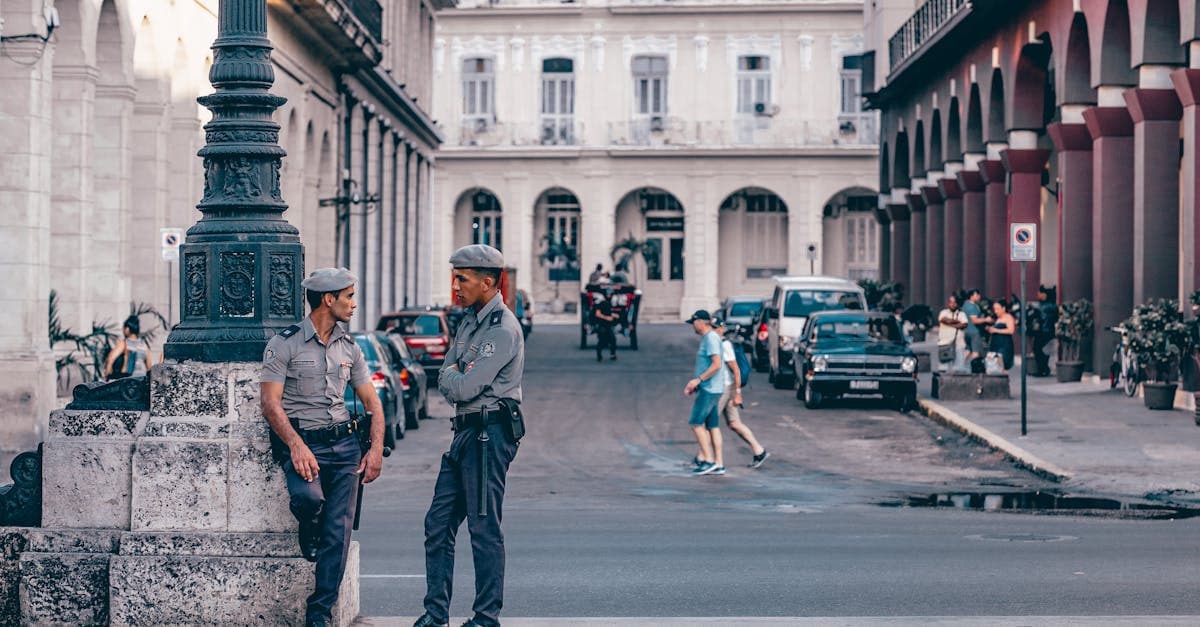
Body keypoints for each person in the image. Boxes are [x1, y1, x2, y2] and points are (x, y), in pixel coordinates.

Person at [260, 268, 386, 627]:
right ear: (328, 300)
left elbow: (372, 402)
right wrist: (296, 446)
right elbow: (270, 403)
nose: (354, 303)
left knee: (338, 534)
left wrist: (375, 448)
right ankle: (308, 524)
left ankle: (320, 612)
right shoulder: (284, 344)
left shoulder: (350, 347)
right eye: (348, 296)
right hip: (305, 444)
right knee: (309, 499)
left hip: (345, 445)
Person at [416, 244, 525, 627]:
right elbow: (449, 374)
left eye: (462, 278)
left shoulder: (502, 328)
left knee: (483, 527)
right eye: (455, 277)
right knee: (437, 524)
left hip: (489, 433)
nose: (455, 285)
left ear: (487, 282)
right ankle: (435, 614)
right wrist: (457, 374)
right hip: (466, 433)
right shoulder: (469, 321)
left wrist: (457, 375)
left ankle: (485, 617)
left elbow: (463, 387)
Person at [713, 320, 769, 468]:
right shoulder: (717, 343)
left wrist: (737, 393)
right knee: (734, 423)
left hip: (725, 388)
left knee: (709, 423)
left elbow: (736, 370)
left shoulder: (724, 345)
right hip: (727, 387)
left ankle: (710, 460)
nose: (713, 330)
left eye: (715, 328)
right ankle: (759, 451)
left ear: (721, 329)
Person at [684, 310, 726, 476]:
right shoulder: (709, 338)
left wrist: (698, 380)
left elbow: (716, 365)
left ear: (701, 322)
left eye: (693, 322)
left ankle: (708, 461)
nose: (693, 326)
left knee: (695, 423)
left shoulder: (710, 338)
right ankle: (719, 463)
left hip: (709, 388)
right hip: (712, 387)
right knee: (713, 426)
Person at [104, 316, 152, 380]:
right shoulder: (144, 345)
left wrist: (107, 375)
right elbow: (149, 368)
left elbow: (111, 358)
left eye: (123, 328)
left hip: (127, 380)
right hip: (141, 380)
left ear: (127, 329)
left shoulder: (124, 343)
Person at [1031, 285, 1058, 377]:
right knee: (1039, 349)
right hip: (1047, 331)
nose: (1038, 295)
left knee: (1037, 349)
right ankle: (1043, 368)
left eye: (1040, 293)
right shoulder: (1051, 306)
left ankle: (1043, 369)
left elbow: (1042, 316)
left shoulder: (1045, 307)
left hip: (1044, 331)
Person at [936, 295, 968, 372]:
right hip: (944, 344)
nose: (952, 304)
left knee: (959, 368)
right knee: (943, 369)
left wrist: (950, 324)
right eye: (951, 302)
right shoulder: (943, 312)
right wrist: (957, 322)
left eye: (954, 303)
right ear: (948, 303)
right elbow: (944, 320)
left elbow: (964, 324)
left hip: (958, 344)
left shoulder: (961, 314)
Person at [962, 289, 992, 366]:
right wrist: (986, 319)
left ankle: (961, 365)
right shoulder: (972, 307)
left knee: (968, 350)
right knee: (975, 352)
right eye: (977, 295)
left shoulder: (965, 304)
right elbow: (974, 320)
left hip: (966, 331)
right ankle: (973, 367)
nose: (979, 297)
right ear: (971, 296)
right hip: (974, 332)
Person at [987, 299, 1017, 371]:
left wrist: (996, 330)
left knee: (1002, 365)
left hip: (1004, 344)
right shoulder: (997, 318)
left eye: (998, 309)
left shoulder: (1008, 317)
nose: (996, 311)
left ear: (1003, 308)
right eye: (995, 309)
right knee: (995, 366)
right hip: (995, 344)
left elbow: (1011, 330)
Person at [592, 295, 617, 362]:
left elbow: (608, 312)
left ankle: (613, 355)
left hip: (608, 325)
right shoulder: (599, 304)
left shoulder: (609, 304)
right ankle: (599, 356)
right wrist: (607, 318)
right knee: (602, 341)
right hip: (601, 325)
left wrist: (613, 315)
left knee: (613, 339)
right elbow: (598, 314)